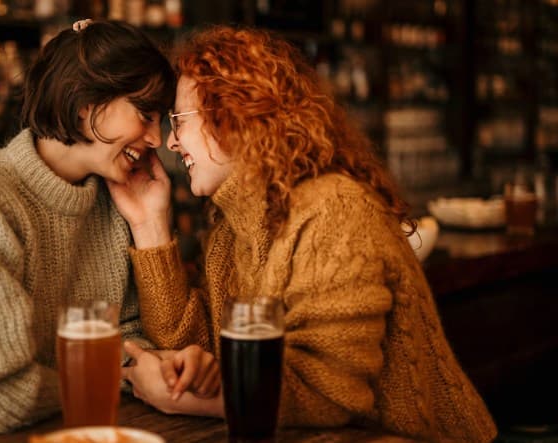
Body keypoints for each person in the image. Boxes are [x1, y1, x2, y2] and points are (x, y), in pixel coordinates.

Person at [109, 26, 498, 442]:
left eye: (179, 121)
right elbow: (200, 352)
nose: (170, 143)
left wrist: (182, 400)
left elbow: (327, 394)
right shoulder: (231, 224)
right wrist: (149, 223)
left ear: (237, 113)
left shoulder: (334, 209)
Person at [0, 20, 186, 442]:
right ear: (86, 105)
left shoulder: (110, 201)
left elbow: (140, 342)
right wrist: (126, 376)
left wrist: (150, 223)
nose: (156, 138)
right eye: (145, 115)